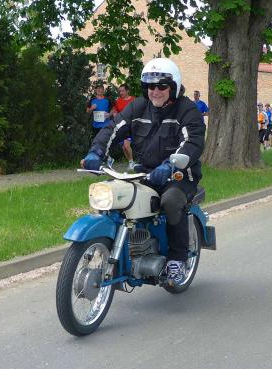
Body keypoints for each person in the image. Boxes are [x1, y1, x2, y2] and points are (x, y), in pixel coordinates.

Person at [81, 58, 205, 286]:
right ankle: (124, 248)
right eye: (150, 86)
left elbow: (192, 142)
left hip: (180, 173)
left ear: (173, 87)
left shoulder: (187, 110)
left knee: (170, 200)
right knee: (116, 196)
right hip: (144, 171)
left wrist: (170, 165)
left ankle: (177, 259)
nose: (155, 91)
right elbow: (113, 128)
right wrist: (96, 152)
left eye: (161, 86)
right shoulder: (138, 107)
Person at [111, 84, 136, 169]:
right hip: (121, 127)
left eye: (122, 91)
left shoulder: (133, 100)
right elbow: (115, 110)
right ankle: (131, 162)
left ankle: (132, 162)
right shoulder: (118, 101)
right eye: (120, 91)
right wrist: (115, 114)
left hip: (131, 127)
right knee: (123, 147)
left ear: (127, 91)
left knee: (126, 145)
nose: (121, 93)